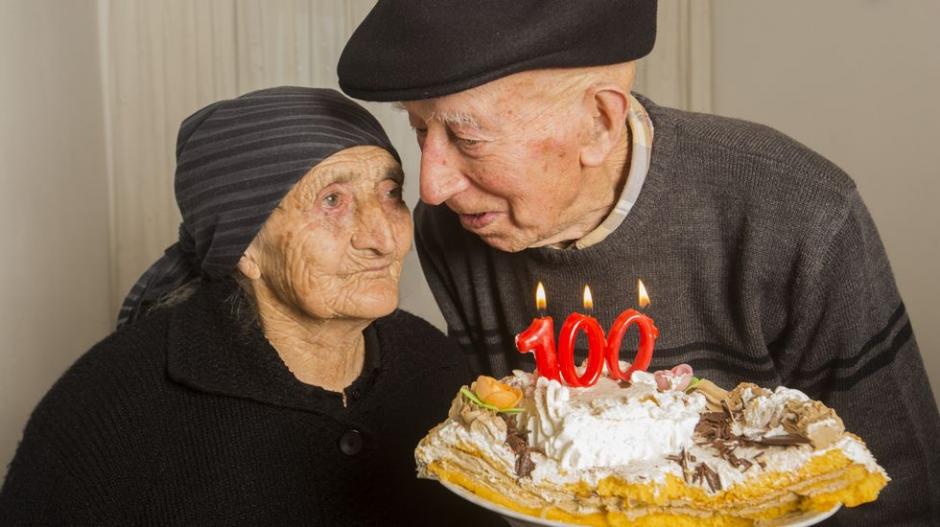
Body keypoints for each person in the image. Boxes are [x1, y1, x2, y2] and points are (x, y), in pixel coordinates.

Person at [337, 1, 940, 524]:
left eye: (468, 140)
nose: (433, 184)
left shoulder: (800, 213)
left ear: (600, 121)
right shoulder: (454, 225)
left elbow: (899, 491)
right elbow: (505, 456)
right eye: (420, 131)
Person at [0, 87, 497, 526]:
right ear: (244, 246)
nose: (384, 237)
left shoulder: (435, 366)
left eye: (390, 193)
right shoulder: (108, 405)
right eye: (332, 201)